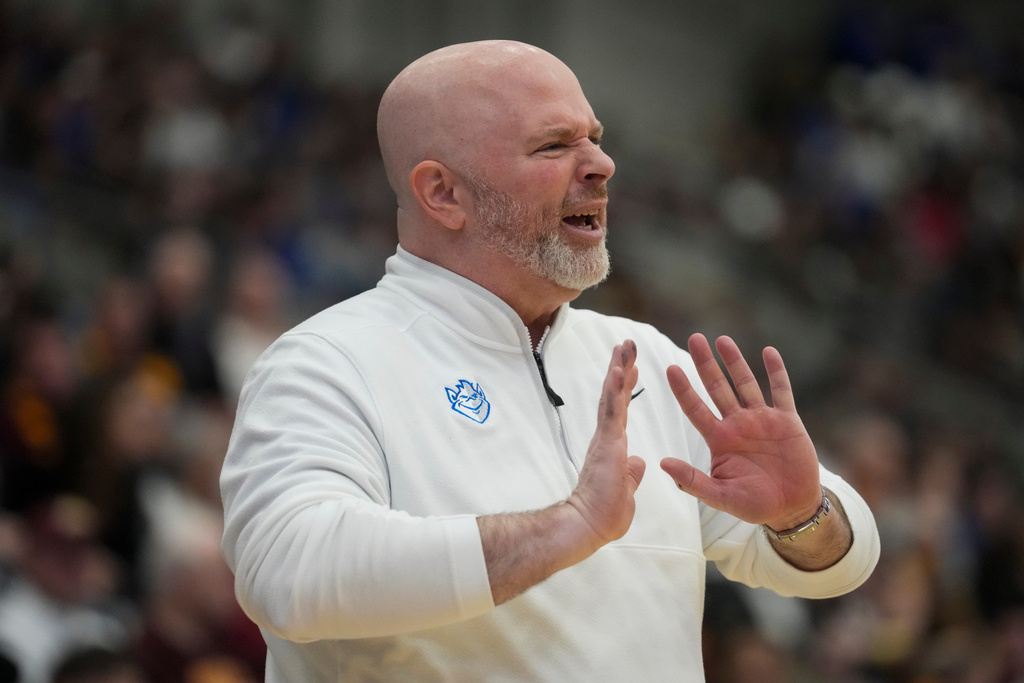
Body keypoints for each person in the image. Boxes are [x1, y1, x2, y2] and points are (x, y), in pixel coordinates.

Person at [220, 40, 880, 681]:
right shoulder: (327, 361)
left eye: (594, 136)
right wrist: (567, 528)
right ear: (444, 193)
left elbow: (833, 566)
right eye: (554, 145)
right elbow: (287, 571)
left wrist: (801, 514)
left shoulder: (641, 355)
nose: (601, 164)